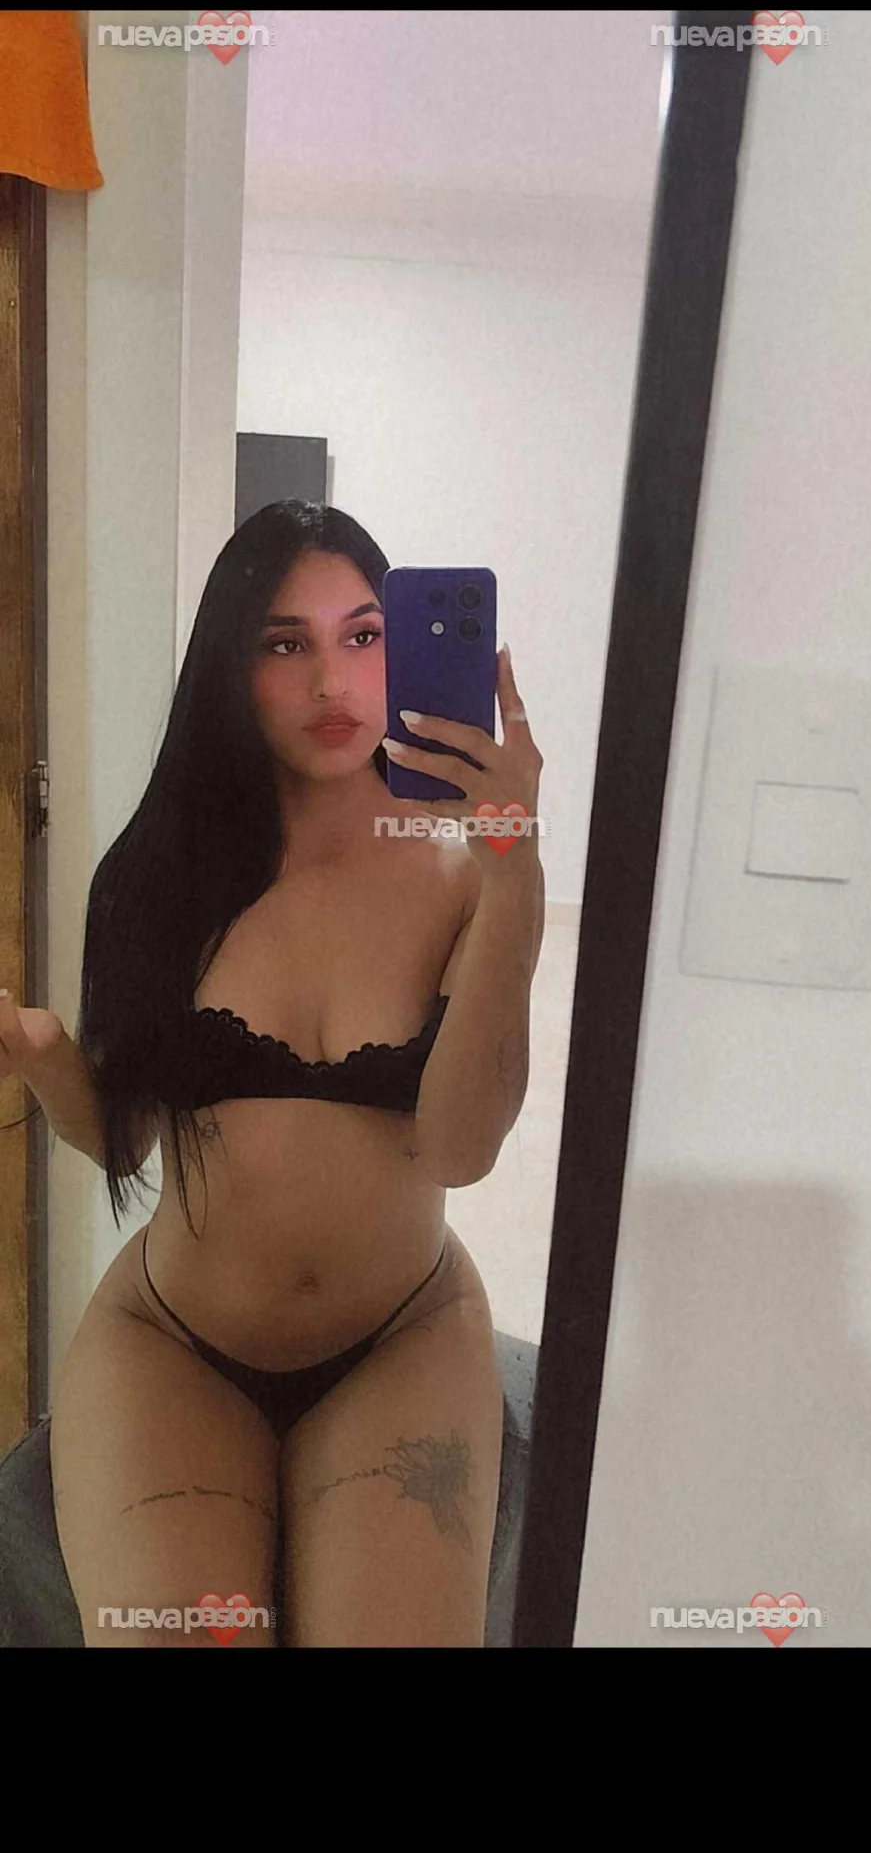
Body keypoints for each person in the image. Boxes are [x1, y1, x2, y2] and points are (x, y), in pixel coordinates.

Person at [0, 500, 544, 1647]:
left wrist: (515, 880)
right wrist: (46, 1059)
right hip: (174, 1341)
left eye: (363, 634)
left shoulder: (463, 871)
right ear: (230, 662)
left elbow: (461, 1148)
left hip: (404, 1333)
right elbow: (127, 1142)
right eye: (285, 641)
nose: (331, 680)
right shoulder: (156, 876)